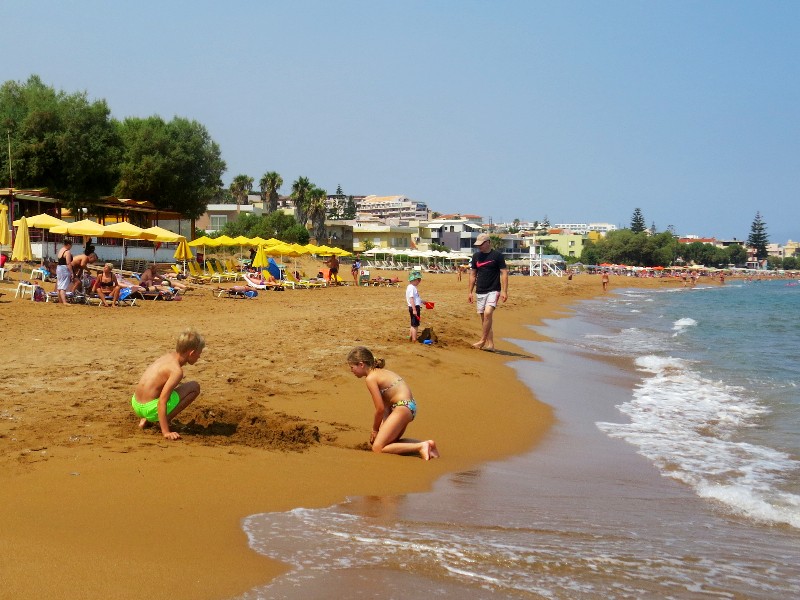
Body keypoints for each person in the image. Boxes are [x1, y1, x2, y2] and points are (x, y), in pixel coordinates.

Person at [346, 346, 440, 460]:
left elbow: (379, 409)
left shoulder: (371, 378)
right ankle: (428, 444)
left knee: (377, 448)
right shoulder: (382, 372)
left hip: (401, 407)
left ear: (361, 364)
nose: (351, 371)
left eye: (352, 367)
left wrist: (375, 430)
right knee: (391, 442)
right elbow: (386, 408)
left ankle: (421, 446)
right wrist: (382, 430)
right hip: (408, 407)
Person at [131, 328, 205, 440]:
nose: (199, 357)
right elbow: (163, 400)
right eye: (199, 353)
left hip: (136, 403)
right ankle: (158, 421)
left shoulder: (167, 357)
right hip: (149, 409)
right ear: (192, 353)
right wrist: (166, 432)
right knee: (194, 387)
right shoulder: (176, 371)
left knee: (162, 389)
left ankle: (145, 419)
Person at [468, 233, 508, 351]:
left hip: (494, 289)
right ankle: (490, 345)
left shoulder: (497, 256)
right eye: (478, 244)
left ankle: (482, 341)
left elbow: (504, 273)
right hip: (480, 290)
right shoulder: (476, 256)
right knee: (485, 319)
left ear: (488, 242)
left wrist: (504, 291)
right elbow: (473, 275)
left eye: (481, 244)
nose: (479, 246)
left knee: (488, 313)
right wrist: (470, 292)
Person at [406, 271, 424, 342]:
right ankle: (414, 339)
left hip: (414, 307)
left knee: (413, 323)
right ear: (414, 280)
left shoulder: (411, 287)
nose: (419, 281)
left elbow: (416, 298)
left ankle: (410, 337)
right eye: (418, 279)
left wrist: (422, 301)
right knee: (415, 325)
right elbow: (411, 299)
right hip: (414, 307)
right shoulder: (412, 288)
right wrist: (414, 309)